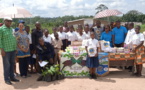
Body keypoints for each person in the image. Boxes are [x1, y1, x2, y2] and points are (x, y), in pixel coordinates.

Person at [0, 17, 19, 85]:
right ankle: (6, 79)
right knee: (6, 65)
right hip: (6, 50)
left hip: (13, 50)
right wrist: (2, 50)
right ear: (4, 21)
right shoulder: (1, 29)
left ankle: (12, 77)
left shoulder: (11, 29)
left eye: (10, 21)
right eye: (8, 21)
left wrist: (15, 48)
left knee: (12, 64)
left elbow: (14, 38)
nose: (9, 22)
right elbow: (0, 40)